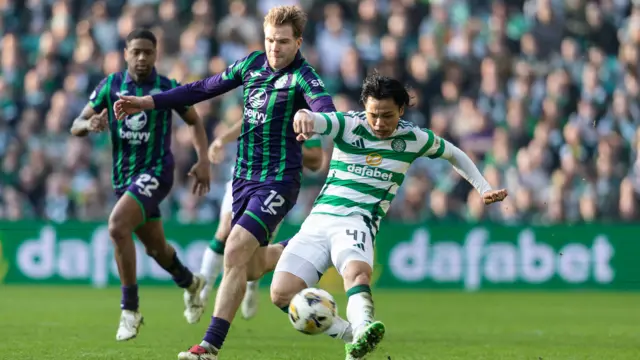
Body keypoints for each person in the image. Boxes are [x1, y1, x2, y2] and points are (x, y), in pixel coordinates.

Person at [112, 6, 336, 359]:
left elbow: (325, 107)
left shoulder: (303, 77)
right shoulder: (252, 64)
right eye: (270, 40)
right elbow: (201, 88)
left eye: (282, 42)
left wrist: (312, 116)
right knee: (246, 267)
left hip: (278, 181)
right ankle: (296, 248)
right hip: (243, 178)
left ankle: (209, 346)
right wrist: (147, 102)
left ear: (298, 42)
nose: (274, 48)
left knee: (232, 249)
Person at [270, 72, 509, 360]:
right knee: (281, 294)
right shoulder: (348, 125)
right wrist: (304, 117)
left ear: (401, 110)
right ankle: (354, 336)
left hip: (357, 221)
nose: (379, 123)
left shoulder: (413, 137)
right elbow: (317, 119)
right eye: (373, 115)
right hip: (318, 220)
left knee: (357, 273)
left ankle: (364, 325)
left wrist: (483, 188)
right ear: (364, 109)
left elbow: (454, 154)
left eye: (387, 115)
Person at [70, 29, 211, 341]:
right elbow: (75, 124)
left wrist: (203, 160)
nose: (142, 57)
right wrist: (89, 123)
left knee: (117, 226)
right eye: (137, 52)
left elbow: (194, 121)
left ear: (156, 54)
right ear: (125, 53)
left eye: (148, 51)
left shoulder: (167, 88)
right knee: (157, 250)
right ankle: (191, 282)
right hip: (124, 179)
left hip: (157, 171)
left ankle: (130, 310)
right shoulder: (111, 85)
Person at [199, 117, 324, 319]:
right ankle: (202, 292)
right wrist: (222, 139)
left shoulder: (304, 119)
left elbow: (317, 161)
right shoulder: (265, 102)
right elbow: (245, 122)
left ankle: (251, 286)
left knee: (257, 242)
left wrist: (284, 147)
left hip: (276, 183)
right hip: (243, 177)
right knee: (224, 231)